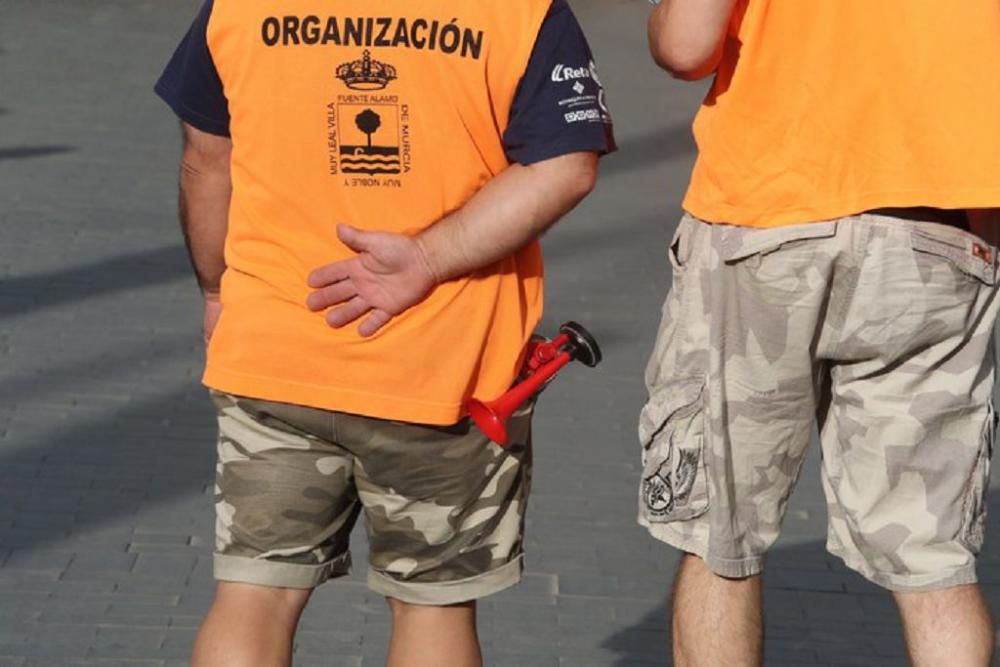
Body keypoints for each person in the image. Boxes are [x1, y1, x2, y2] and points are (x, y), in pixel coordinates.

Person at [154, 0, 615, 664]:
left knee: (254, 589)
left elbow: (207, 157)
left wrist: (217, 288)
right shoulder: (520, 10)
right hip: (444, 369)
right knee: (433, 605)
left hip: (276, 350)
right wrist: (428, 258)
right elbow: (567, 164)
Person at [640, 1, 1000, 665]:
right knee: (933, 560)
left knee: (722, 534)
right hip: (942, 222)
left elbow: (686, 43)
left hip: (768, 207)